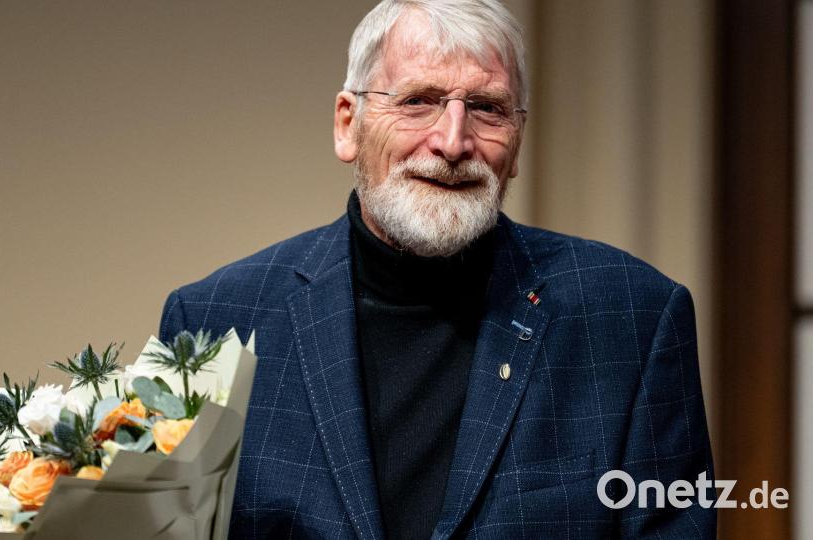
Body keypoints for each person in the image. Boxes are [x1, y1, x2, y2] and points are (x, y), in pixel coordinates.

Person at [159, 0, 716, 538]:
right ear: (349, 125)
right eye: (418, 101)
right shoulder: (213, 322)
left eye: (487, 109)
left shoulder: (633, 318)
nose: (453, 142)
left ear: (517, 141)